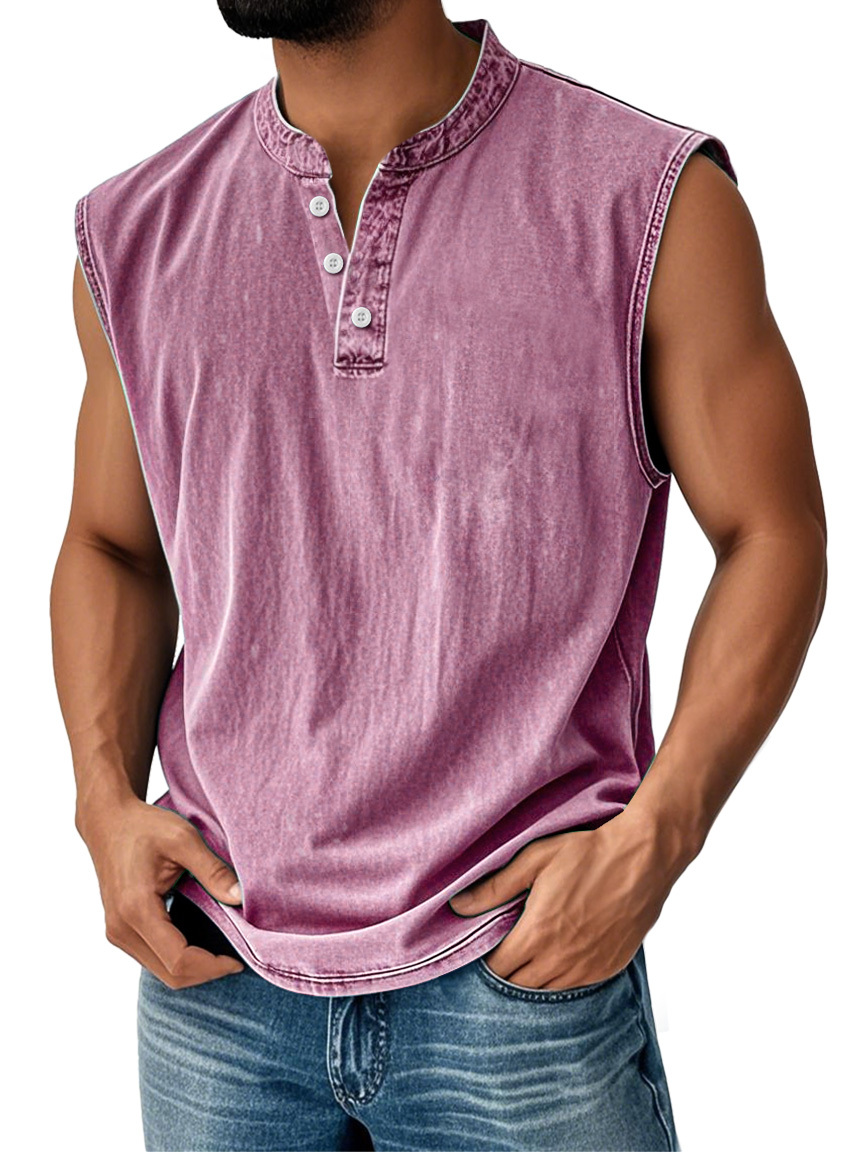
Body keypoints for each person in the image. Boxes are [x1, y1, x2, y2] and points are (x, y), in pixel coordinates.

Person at [50, 1, 827, 1149]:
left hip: (517, 972)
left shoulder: (649, 200)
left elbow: (774, 531)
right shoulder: (137, 229)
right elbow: (110, 544)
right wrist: (103, 807)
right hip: (217, 976)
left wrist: (660, 835)